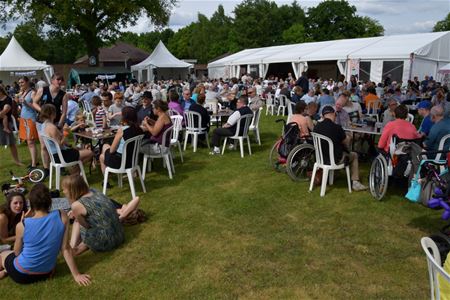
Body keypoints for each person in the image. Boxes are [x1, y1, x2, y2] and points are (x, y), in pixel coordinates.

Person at [0, 183, 91, 285]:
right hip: (46, 273)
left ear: (31, 203)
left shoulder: (22, 225)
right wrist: (76, 275)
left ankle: (5, 270)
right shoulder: (62, 215)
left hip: (21, 275)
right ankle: (5, 271)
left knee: (3, 255)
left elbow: (17, 253)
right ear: (49, 200)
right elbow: (65, 249)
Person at [61, 175, 124, 255]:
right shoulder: (94, 191)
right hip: (119, 234)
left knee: (77, 221)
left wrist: (74, 211)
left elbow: (86, 226)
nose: (63, 192)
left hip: (107, 242)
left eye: (64, 189)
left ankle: (73, 247)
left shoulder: (77, 205)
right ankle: (79, 246)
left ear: (72, 190)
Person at [313, 106, 367, 191]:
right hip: (335, 160)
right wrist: (349, 137)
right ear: (334, 114)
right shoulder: (337, 127)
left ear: (323, 116)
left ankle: (335, 176)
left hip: (320, 158)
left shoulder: (316, 127)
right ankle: (355, 182)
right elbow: (346, 142)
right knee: (354, 155)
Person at [100, 106, 143, 175]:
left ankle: (106, 180)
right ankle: (110, 169)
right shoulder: (139, 129)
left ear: (124, 117)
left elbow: (112, 150)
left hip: (121, 161)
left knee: (102, 156)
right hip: (133, 160)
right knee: (105, 146)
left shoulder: (122, 130)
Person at [17, 77, 39, 169]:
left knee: (31, 142)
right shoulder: (22, 92)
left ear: (27, 82)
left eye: (22, 82)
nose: (20, 84)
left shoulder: (32, 92)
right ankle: (35, 161)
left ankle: (34, 164)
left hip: (30, 119)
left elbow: (36, 106)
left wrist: (25, 102)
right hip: (23, 119)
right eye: (19, 83)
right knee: (29, 142)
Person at [0, 85, 23, 166]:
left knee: (11, 143)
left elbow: (5, 111)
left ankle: (17, 161)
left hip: (4, 124)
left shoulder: (8, 99)